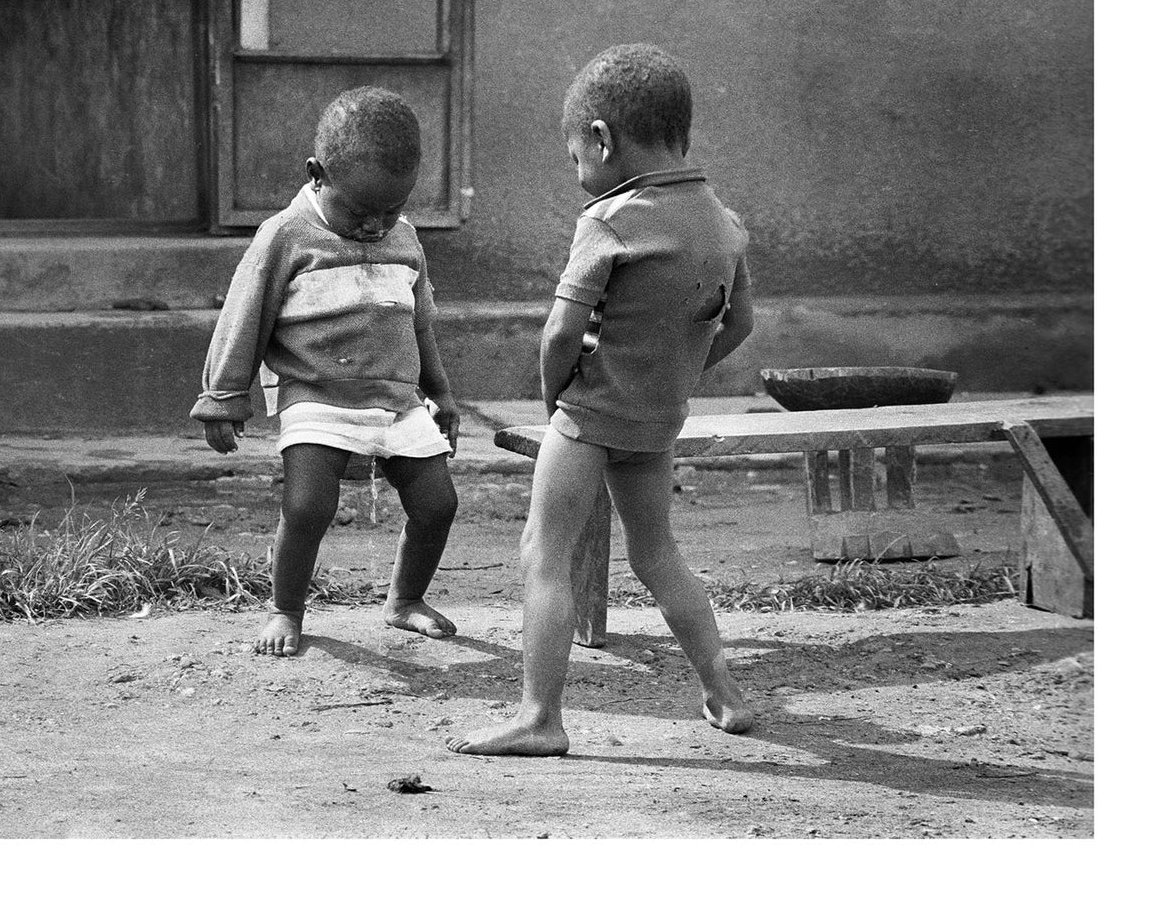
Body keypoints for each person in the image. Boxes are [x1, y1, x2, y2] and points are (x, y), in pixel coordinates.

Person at [448, 44, 756, 756]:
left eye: (574, 158)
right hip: (656, 419)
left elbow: (560, 332)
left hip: (587, 418)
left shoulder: (610, 219)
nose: (578, 174)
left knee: (544, 554)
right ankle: (723, 691)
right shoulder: (723, 221)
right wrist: (675, 377)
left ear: (600, 137)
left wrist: (559, 395)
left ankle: (539, 716)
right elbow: (736, 323)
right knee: (658, 554)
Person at [191, 86, 461, 658]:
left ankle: (404, 599)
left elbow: (419, 322)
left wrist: (440, 392)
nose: (375, 225)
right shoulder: (285, 237)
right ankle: (286, 608)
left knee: (438, 504)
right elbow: (244, 315)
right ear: (317, 173)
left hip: (397, 398)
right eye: (360, 211)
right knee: (309, 506)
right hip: (314, 393)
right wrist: (222, 395)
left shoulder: (404, 237)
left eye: (391, 209)